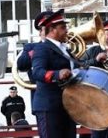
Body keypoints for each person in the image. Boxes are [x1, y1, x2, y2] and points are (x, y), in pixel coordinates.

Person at [31, 9, 78, 138]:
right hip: (49, 106)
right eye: (63, 27)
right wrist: (57, 74)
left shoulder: (64, 48)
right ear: (52, 29)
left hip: (67, 105)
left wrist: (95, 61)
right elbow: (37, 72)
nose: (66, 31)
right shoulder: (42, 47)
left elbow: (78, 65)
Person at [16, 11, 52, 109]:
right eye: (47, 29)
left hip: (66, 100)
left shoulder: (64, 48)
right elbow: (21, 65)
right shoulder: (31, 47)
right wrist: (35, 53)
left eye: (52, 28)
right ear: (40, 32)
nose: (51, 31)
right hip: (42, 100)